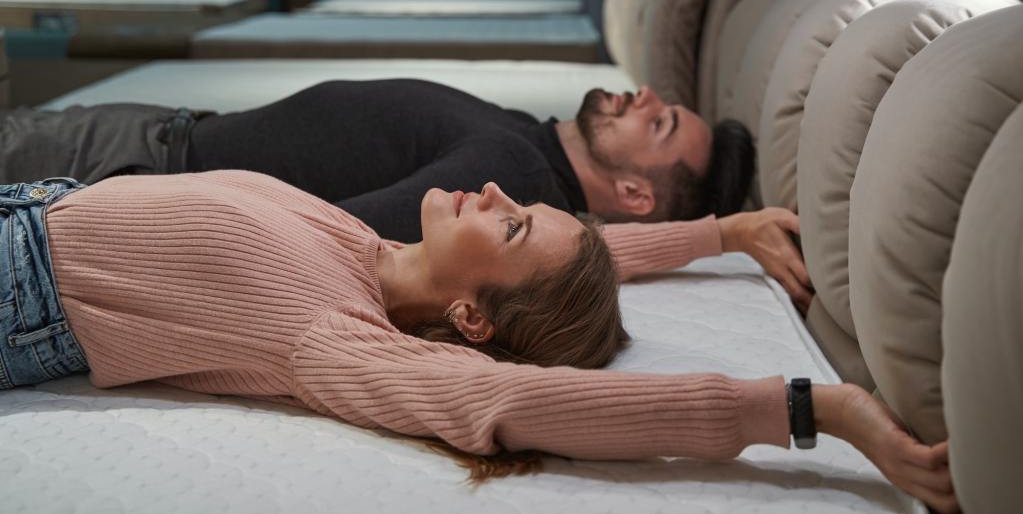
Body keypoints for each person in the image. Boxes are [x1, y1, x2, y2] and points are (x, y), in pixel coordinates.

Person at [2, 173, 955, 512]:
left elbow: (511, 402)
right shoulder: (365, 248)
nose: (497, 193)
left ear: (470, 322)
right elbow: (582, 254)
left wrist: (806, 407)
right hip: (34, 204)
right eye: (521, 206)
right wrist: (719, 232)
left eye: (506, 226)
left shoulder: (331, 338)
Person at [0, 80, 812, 309]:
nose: (637, 95)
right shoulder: (522, 147)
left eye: (658, 122)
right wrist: (721, 232)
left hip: (131, 168)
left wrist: (716, 233)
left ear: (635, 192)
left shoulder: (513, 178)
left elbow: (347, 241)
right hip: (156, 138)